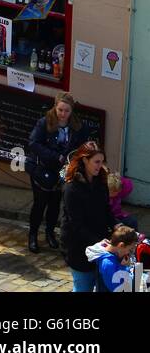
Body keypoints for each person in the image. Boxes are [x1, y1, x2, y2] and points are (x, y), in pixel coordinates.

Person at [26, 93, 93, 253]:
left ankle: (50, 233)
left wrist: (73, 158)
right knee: (40, 203)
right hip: (42, 168)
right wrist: (56, 156)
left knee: (55, 204)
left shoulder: (78, 127)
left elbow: (83, 147)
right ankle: (33, 235)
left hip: (63, 170)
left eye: (66, 111)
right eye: (60, 110)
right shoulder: (44, 123)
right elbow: (33, 143)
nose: (63, 114)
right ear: (55, 107)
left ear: (72, 111)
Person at [61, 143, 114, 292]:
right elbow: (76, 225)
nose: (100, 166)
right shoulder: (72, 188)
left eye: (102, 162)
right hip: (78, 247)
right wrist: (100, 242)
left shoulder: (101, 182)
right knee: (83, 286)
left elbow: (106, 209)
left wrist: (116, 225)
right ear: (85, 160)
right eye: (97, 162)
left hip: (99, 242)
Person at [97, 225, 141, 293]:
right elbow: (118, 289)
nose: (129, 253)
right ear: (121, 245)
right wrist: (125, 267)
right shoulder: (108, 264)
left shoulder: (116, 255)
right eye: (130, 249)